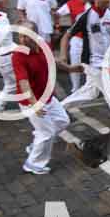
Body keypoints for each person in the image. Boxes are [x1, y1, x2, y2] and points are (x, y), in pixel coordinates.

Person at [13, 20, 70, 175]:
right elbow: (23, 82)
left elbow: (52, 62)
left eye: (26, 36)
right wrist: (34, 103)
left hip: (47, 97)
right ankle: (33, 164)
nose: (23, 40)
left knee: (63, 121)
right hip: (30, 101)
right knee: (47, 132)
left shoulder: (44, 45)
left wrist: (71, 68)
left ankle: (35, 146)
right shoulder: (18, 55)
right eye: (20, 36)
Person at [55, 0, 92, 92]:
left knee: (89, 65)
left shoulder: (92, 4)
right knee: (75, 63)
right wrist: (57, 26)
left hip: (90, 40)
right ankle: (75, 88)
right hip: (76, 38)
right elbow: (57, 14)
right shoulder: (71, 3)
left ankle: (89, 87)